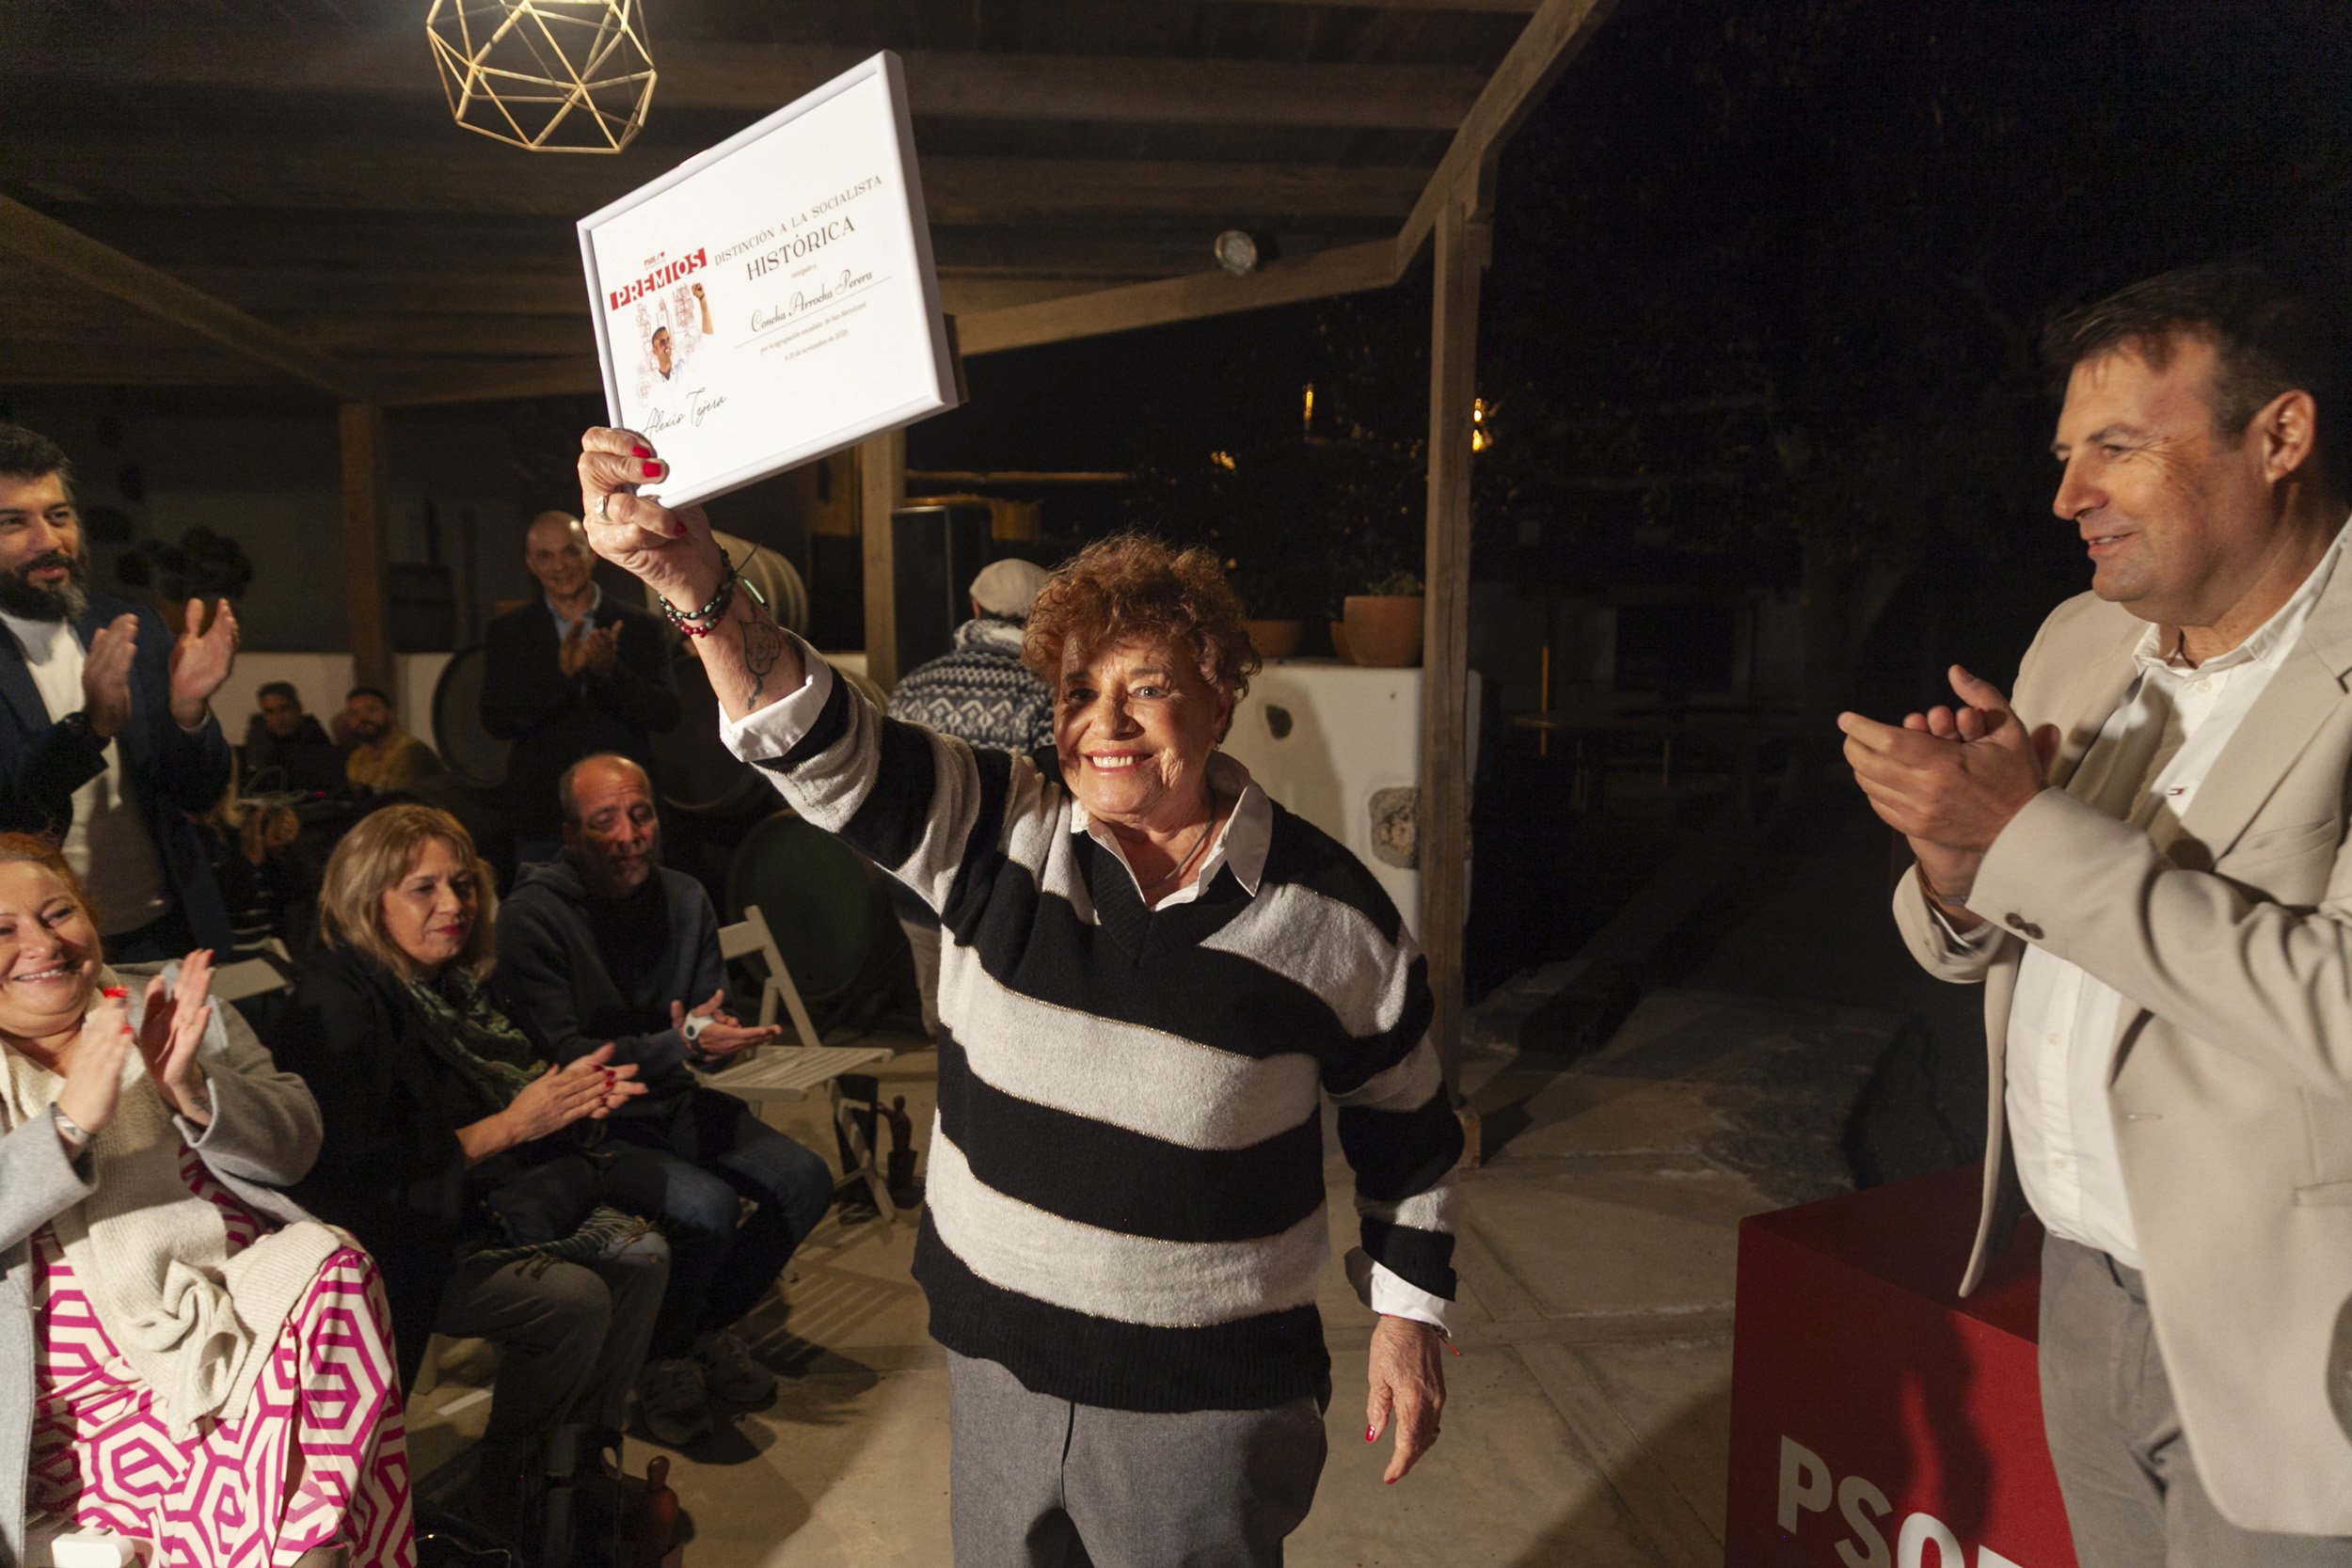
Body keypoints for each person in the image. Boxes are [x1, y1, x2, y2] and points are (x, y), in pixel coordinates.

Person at [580, 429, 1460, 1567]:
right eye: (1081, 690)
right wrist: (699, 591)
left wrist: (1408, 1313)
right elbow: (822, 741)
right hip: (998, 1363)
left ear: (1226, 693)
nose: (1108, 721)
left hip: (1201, 1401)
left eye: (1148, 685)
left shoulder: (1330, 914)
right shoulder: (1001, 828)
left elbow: (1412, 1126)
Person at [1843, 263, 2352, 1560]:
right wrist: (1957, 876)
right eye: (2069, 455)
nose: (2069, 496)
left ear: (2280, 435)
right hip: (2080, 1281)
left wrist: (2021, 834)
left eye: (2116, 449)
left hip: (2289, 1334)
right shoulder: (2080, 636)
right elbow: (2019, 928)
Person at [0, 833, 413, 1566]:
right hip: (71, 1423)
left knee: (330, 1261)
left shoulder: (175, 1004)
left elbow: (298, 1144)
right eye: (2, 930)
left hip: (233, 1340)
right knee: (311, 1534)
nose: (42, 942)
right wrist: (67, 1126)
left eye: (59, 912)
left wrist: (190, 1090)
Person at [268, 804, 665, 1537]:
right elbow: (366, 1179)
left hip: (468, 1205)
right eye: (424, 888)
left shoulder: (448, 987)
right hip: (389, 1241)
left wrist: (565, 1096)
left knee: (644, 1255)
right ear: (368, 898)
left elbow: (497, 1098)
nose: (454, 904)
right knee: (573, 1300)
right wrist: (518, 1121)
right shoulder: (338, 1007)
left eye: (461, 883)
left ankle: (577, 1462)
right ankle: (510, 1484)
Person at [496, 753, 834, 1447]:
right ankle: (663, 1361)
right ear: (569, 835)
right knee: (707, 1207)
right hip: (590, 1126)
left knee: (805, 1180)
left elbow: (706, 1012)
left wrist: (715, 1035)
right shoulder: (534, 916)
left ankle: (696, 1331)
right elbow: (571, 1058)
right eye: (605, 821)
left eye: (641, 813)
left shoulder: (684, 898)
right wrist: (677, 1043)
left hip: (673, 1101)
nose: (629, 834)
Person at [0, 423, 241, 962]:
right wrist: (92, 729)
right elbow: (12, 807)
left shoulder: (127, 624)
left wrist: (189, 714)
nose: (50, 541)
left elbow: (197, 794)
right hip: (35, 952)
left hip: (163, 928)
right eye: (14, 523)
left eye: (59, 516)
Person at [883, 558, 1057, 1035]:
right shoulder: (1048, 692)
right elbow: (1060, 799)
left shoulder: (914, 685)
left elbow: (889, 788)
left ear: (975, 607)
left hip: (917, 887)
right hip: (1008, 895)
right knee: (1003, 1039)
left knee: (942, 1033)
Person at [480, 512, 679, 866]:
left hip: (625, 821)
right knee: (547, 919)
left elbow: (666, 715)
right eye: (545, 556)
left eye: (570, 552)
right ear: (531, 564)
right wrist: (564, 679)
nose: (560, 566)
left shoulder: (640, 626)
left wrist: (610, 674)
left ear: (592, 553)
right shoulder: (508, 632)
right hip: (544, 819)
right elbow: (497, 720)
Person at [242, 681, 342, 796]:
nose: (278, 718)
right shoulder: (258, 747)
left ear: (299, 708)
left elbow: (327, 792)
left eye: (284, 709)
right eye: (269, 712)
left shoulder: (317, 742)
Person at [340, 685, 442, 796]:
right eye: (354, 713)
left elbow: (399, 801)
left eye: (372, 710)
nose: (363, 718)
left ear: (391, 713)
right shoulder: (357, 756)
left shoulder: (410, 750)